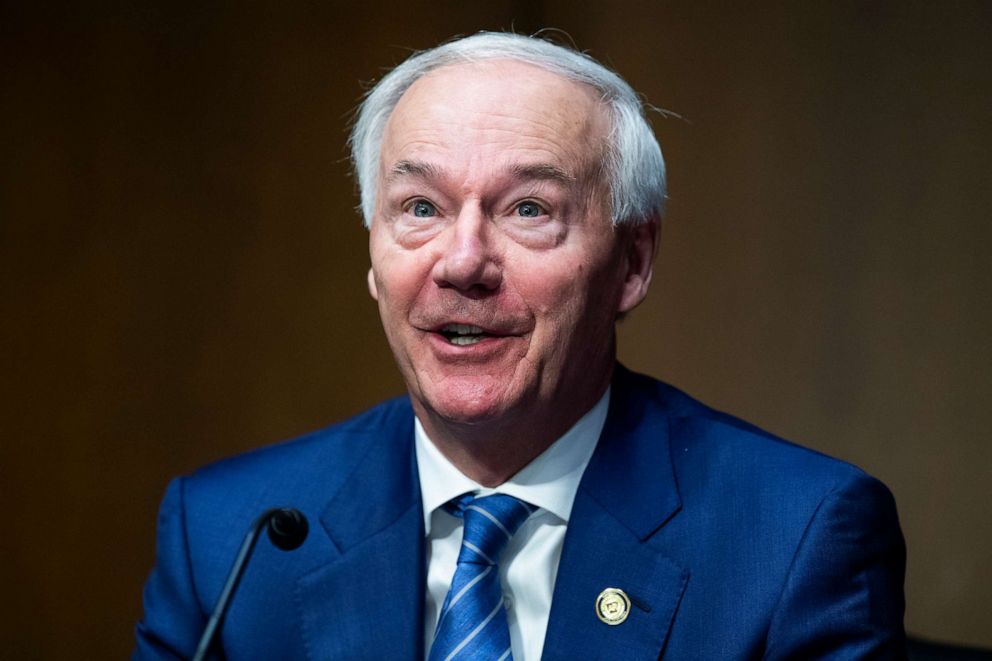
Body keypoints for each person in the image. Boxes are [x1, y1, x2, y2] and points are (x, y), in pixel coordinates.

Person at [134, 32, 906, 660]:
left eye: (529, 208)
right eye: (421, 207)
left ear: (631, 262)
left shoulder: (795, 538)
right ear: (373, 259)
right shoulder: (228, 536)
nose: (463, 261)